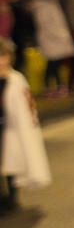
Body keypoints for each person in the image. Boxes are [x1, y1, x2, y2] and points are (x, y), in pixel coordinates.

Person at [0, 37, 50, 212]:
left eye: (4, 57)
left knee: (11, 163)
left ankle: (10, 197)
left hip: (9, 128)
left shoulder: (15, 80)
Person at [28, 0, 74, 97]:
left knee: (57, 65)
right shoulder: (42, 6)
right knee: (52, 65)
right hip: (52, 41)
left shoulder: (52, 3)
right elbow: (45, 25)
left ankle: (59, 86)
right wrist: (61, 36)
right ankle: (52, 88)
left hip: (57, 40)